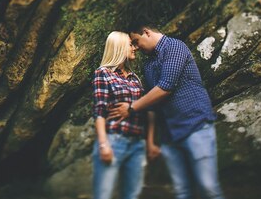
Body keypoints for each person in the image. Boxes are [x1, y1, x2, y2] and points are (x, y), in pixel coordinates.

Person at [108, 25, 225, 199]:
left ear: (147, 32)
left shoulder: (175, 47)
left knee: (208, 187)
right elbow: (152, 105)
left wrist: (131, 108)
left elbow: (165, 87)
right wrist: (151, 141)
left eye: (136, 41)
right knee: (182, 191)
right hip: (169, 137)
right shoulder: (148, 65)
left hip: (195, 126)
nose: (136, 47)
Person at [92, 31, 158, 199]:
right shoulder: (103, 73)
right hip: (114, 140)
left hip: (137, 144)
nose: (134, 47)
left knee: (132, 195)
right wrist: (103, 144)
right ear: (119, 47)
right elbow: (99, 111)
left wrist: (149, 142)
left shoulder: (135, 78)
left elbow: (148, 110)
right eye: (130, 44)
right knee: (103, 195)